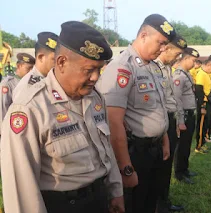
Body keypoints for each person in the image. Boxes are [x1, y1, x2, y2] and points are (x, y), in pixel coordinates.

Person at [1, 21, 124, 213]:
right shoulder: (30, 108)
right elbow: (21, 185)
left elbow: (106, 149)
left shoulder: (94, 97)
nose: (95, 77)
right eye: (89, 70)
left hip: (98, 198)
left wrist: (115, 190)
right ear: (61, 62)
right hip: (63, 205)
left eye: (99, 69)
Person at [95, 14, 176, 213]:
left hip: (154, 148)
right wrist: (125, 168)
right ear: (143, 35)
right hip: (135, 153)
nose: (163, 49)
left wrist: (164, 137)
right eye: (161, 42)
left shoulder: (152, 67)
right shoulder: (123, 67)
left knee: (150, 200)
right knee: (135, 204)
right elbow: (114, 123)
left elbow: (155, 108)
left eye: (165, 44)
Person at [153, 34, 187, 213]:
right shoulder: (153, 68)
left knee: (166, 167)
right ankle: (158, 205)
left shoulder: (167, 68)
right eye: (177, 54)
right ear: (166, 49)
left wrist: (177, 120)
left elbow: (172, 98)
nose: (179, 58)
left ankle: (164, 202)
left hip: (169, 120)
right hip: (160, 122)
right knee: (159, 168)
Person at [173, 47, 199, 184]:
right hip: (185, 116)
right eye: (193, 61)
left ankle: (185, 169)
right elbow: (177, 100)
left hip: (190, 114)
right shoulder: (179, 76)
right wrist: (180, 120)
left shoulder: (187, 74)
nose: (194, 64)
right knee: (182, 145)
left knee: (187, 144)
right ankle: (179, 172)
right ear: (186, 58)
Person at [13, 32, 58, 100]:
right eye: (54, 60)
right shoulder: (28, 87)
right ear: (41, 57)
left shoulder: (50, 79)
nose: (59, 64)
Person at [0, 53, 35, 125]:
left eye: (33, 68)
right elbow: (2, 109)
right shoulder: (8, 84)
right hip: (13, 125)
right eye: (28, 68)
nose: (31, 71)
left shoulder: (32, 83)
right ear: (19, 66)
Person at [195, 57, 211, 154]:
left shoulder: (205, 74)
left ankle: (203, 143)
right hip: (204, 104)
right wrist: (202, 106)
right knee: (201, 126)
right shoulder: (201, 74)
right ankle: (199, 146)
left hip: (208, 103)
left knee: (205, 125)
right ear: (209, 65)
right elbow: (199, 91)